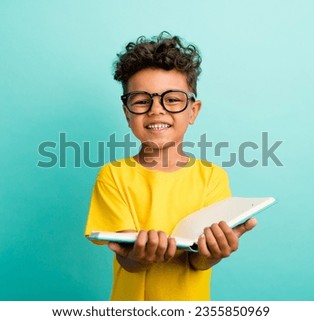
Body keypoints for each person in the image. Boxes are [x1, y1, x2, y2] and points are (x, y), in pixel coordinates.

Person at [85, 32, 257, 300]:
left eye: (173, 99)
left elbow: (198, 262)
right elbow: (126, 259)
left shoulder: (212, 179)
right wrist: (141, 257)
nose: (157, 110)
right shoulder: (113, 177)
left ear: (193, 111)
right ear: (127, 112)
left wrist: (213, 252)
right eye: (142, 101)